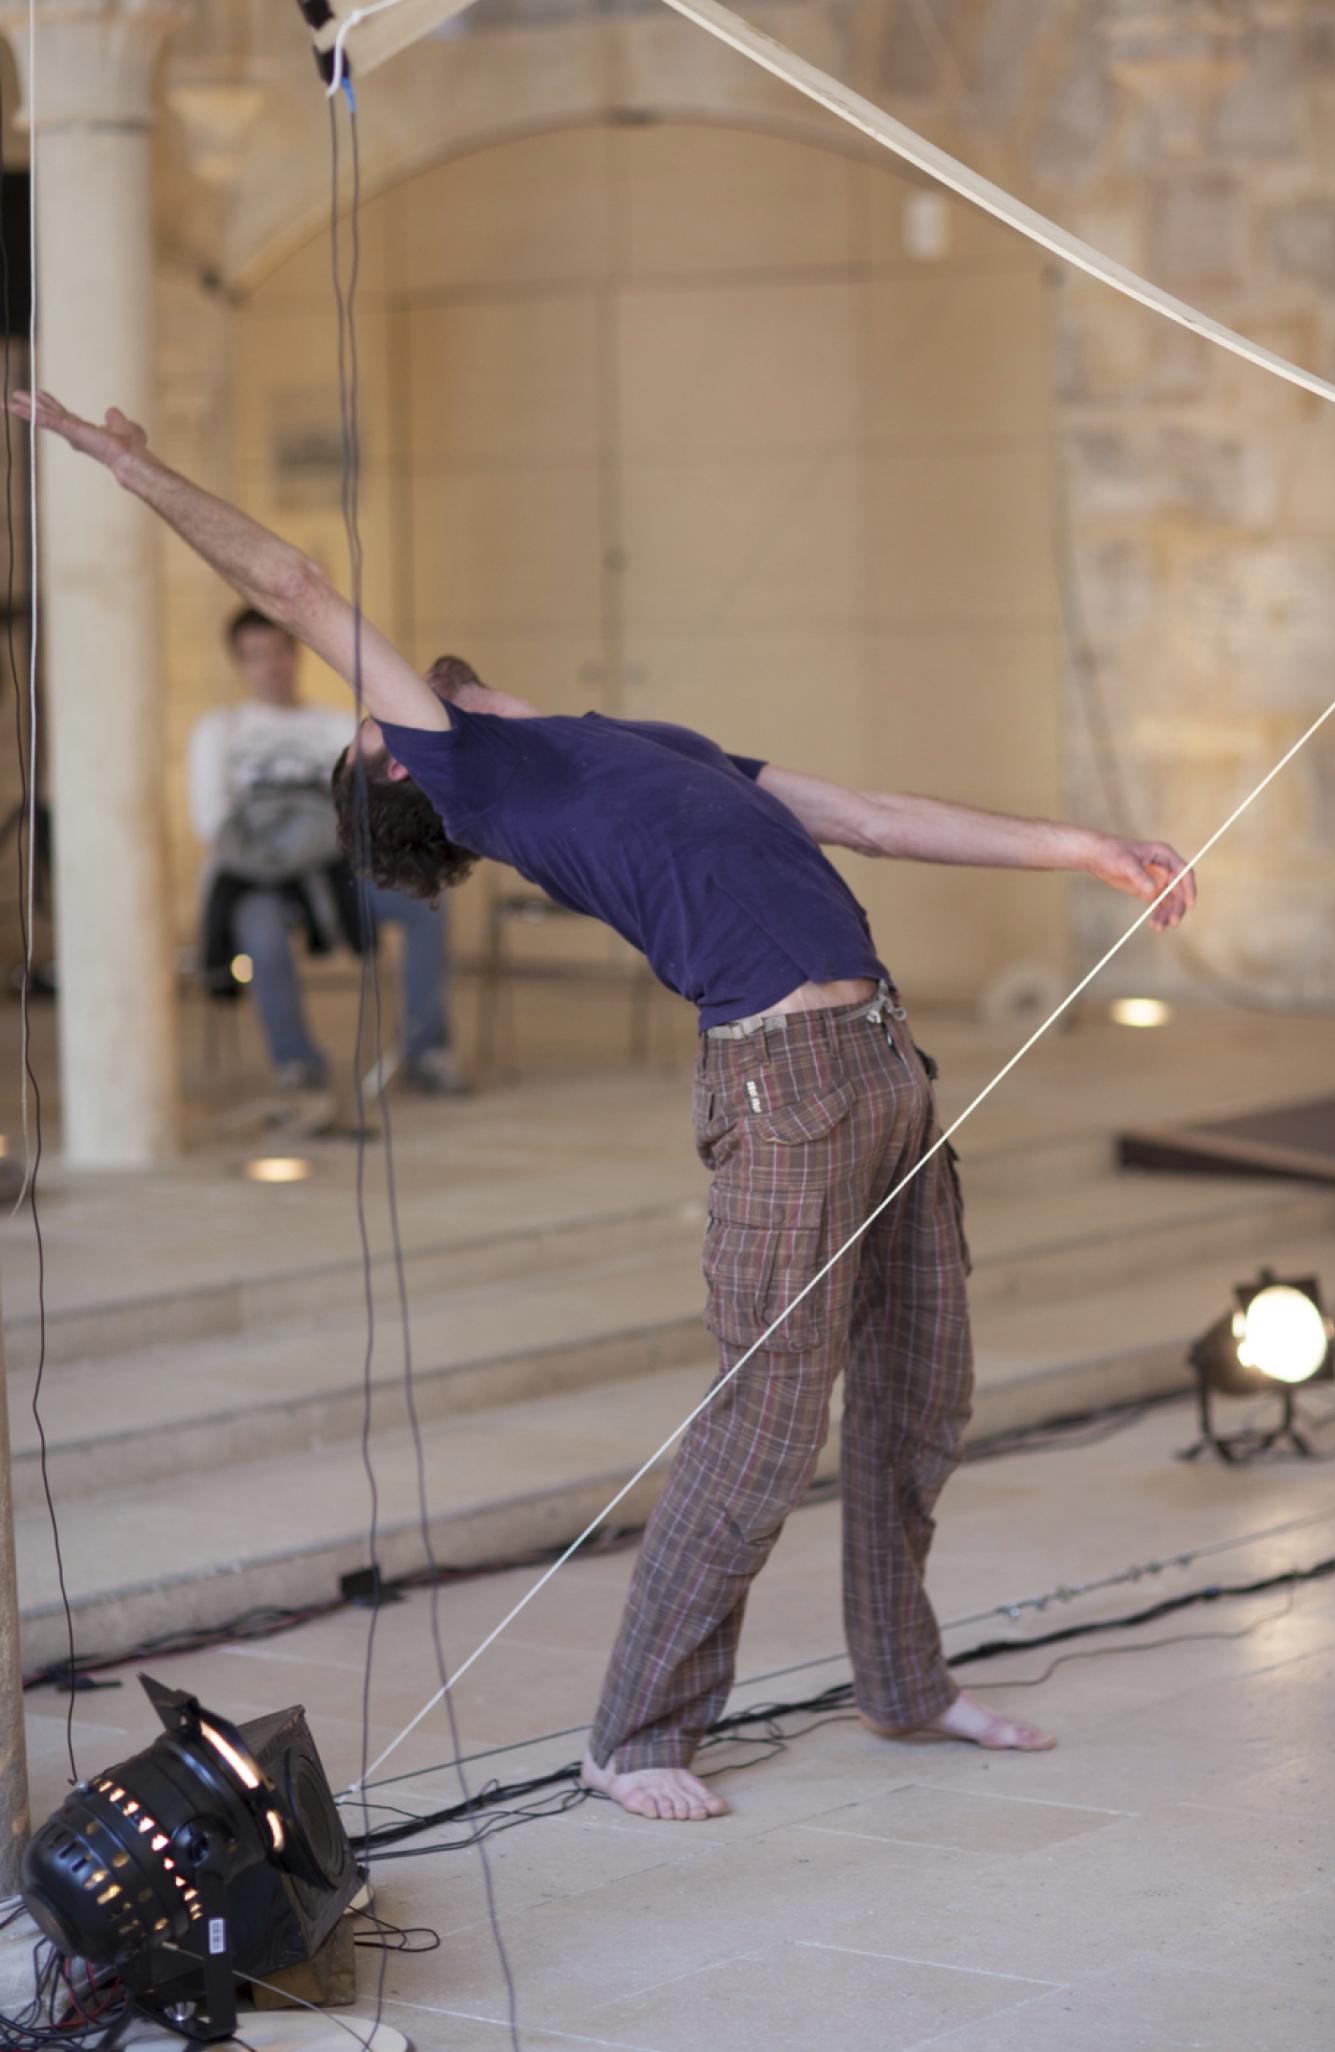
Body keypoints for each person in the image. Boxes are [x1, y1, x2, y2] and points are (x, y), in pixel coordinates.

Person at [19, 389, 1196, 1824]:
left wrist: (1090, 850)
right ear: (399, 760)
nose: (374, 689)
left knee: (921, 1392)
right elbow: (291, 582)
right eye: (369, 715)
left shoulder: (631, 738)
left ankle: (903, 1680)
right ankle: (633, 1732)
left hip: (888, 1063)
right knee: (764, 1423)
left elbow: (875, 816)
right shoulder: (472, 771)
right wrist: (136, 470)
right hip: (783, 1087)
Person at [189, 606, 466, 1095]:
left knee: (428, 904)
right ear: (239, 664)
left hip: (338, 872)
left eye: (277, 652)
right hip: (261, 876)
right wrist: (284, 856)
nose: (269, 666)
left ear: (294, 655)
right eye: (255, 656)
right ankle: (297, 1062)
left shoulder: (336, 725)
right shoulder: (219, 731)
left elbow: (363, 813)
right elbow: (212, 822)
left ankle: (426, 1051)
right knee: (262, 932)